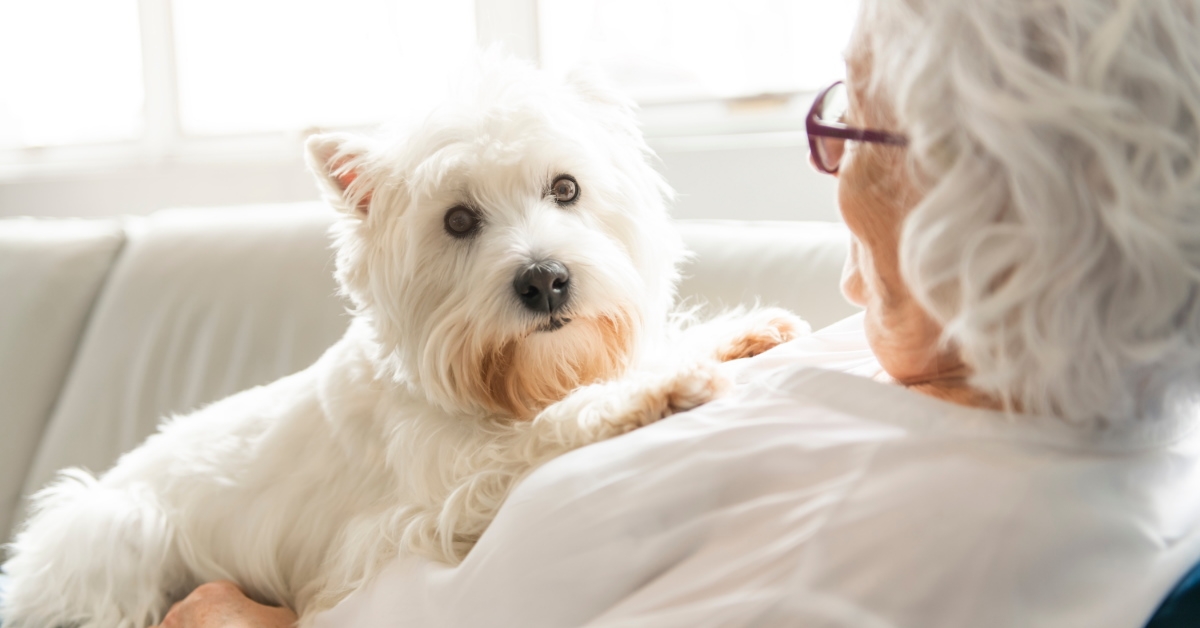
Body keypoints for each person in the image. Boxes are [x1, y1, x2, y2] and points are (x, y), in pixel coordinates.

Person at [153, 0, 1200, 625]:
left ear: (981, 205)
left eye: (851, 122)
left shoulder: (871, 557)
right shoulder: (1037, 390)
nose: (831, 167)